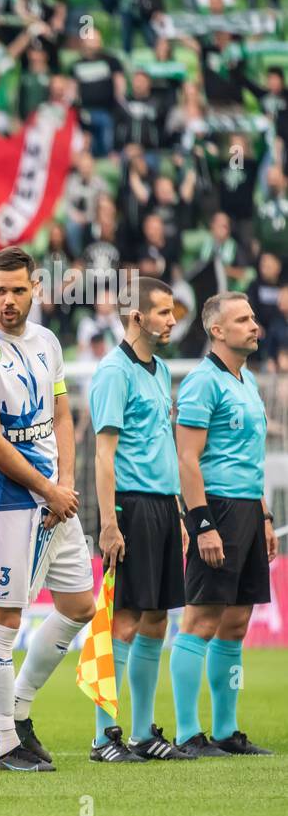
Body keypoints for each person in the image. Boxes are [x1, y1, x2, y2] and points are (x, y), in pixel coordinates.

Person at [0, 247, 96, 773]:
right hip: (7, 505)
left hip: (57, 503)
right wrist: (47, 490)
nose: (8, 300)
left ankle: (15, 704)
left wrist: (65, 484)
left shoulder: (48, 342)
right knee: (4, 621)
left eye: (18, 290)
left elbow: (61, 414)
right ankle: (9, 744)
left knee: (81, 605)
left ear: (36, 287)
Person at [88, 276, 194, 762]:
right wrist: (109, 522)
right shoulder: (114, 372)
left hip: (161, 506)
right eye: (164, 312)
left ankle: (141, 732)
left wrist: (178, 513)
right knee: (124, 620)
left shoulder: (159, 370)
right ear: (137, 317)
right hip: (128, 505)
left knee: (155, 620)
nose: (172, 320)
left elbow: (162, 446)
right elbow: (103, 454)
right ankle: (103, 737)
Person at [172, 292, 276, 757]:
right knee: (201, 619)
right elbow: (188, 459)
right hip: (217, 509)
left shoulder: (247, 380)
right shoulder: (201, 383)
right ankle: (188, 732)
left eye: (253, 317)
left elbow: (252, 458)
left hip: (249, 510)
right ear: (217, 330)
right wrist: (202, 525)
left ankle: (226, 730)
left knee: (235, 624)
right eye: (243, 319)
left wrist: (266, 515)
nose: (255, 325)